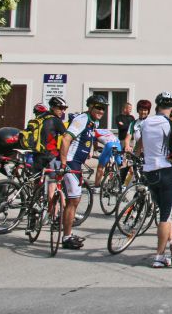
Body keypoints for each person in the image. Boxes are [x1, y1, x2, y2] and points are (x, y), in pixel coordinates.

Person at [137, 92, 172, 268]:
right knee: (165, 214)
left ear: (157, 106)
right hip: (167, 170)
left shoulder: (145, 123)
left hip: (150, 172)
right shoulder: (171, 123)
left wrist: (137, 154)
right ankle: (159, 256)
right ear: (171, 108)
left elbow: (138, 146)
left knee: (162, 210)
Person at [58, 95, 107, 250]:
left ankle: (67, 232)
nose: (101, 111)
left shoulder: (94, 122)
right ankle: (66, 237)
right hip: (71, 163)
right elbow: (66, 139)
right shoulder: (82, 119)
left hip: (78, 163)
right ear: (90, 106)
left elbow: (91, 137)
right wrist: (64, 162)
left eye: (103, 108)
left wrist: (94, 148)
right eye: (98, 107)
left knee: (74, 200)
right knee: (73, 200)